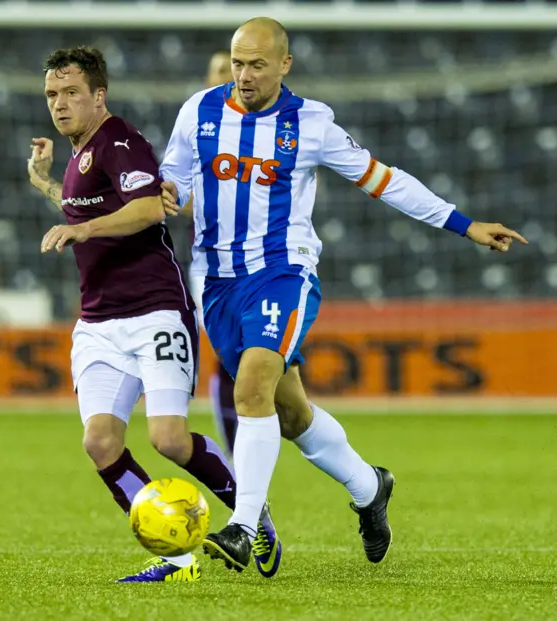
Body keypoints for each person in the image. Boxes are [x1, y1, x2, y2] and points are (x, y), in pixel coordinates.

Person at [160, 18, 528, 573]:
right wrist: (151, 196)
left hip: (284, 273)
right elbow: (174, 181)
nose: (244, 75)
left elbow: (385, 179)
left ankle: (242, 526)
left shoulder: (311, 124)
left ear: (285, 64)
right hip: (216, 282)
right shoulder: (198, 111)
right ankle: (369, 487)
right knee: (289, 413)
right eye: (238, 63)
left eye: (257, 64)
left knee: (253, 388)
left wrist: (463, 224)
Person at [26, 46, 276, 583]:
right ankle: (177, 556)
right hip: (98, 323)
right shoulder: (78, 155)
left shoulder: (121, 141)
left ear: (99, 95)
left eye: (72, 93)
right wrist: (45, 183)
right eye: (52, 95)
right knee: (99, 442)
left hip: (155, 312)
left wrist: (82, 230)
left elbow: (145, 209)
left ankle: (251, 514)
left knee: (169, 440)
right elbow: (85, 211)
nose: (60, 104)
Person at [183, 50, 239, 456]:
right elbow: (168, 194)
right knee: (226, 348)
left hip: (267, 262)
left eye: (232, 69)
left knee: (261, 360)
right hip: (210, 262)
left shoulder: (274, 127)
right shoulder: (193, 130)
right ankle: (237, 452)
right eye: (219, 71)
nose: (228, 77)